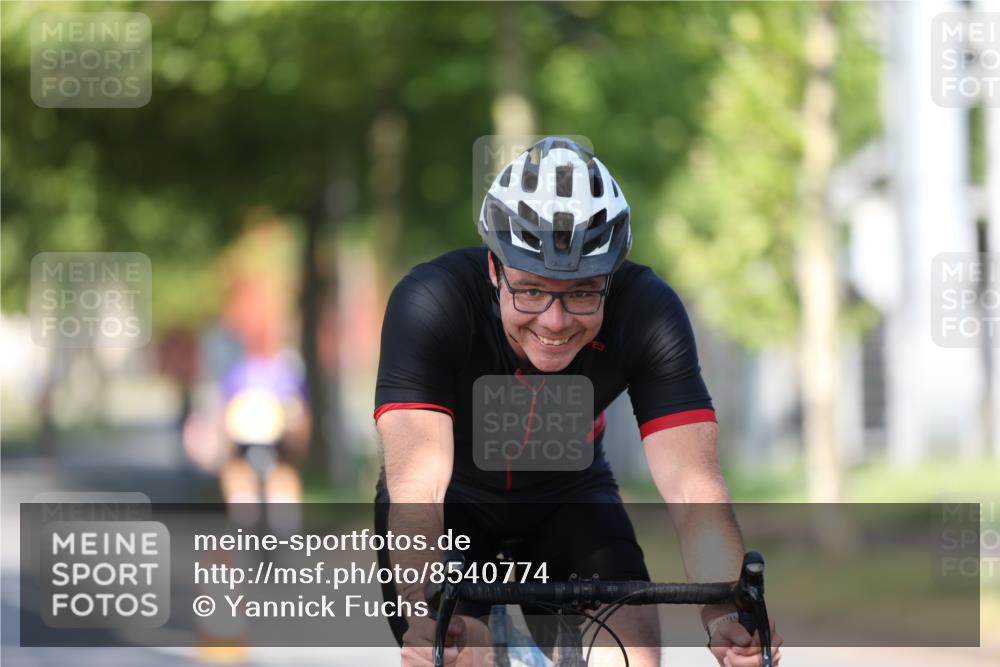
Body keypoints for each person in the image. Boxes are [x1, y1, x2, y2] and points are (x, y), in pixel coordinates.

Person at [374, 137, 782, 667]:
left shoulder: (648, 313)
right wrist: (424, 610)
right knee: (459, 653)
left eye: (583, 292)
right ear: (495, 270)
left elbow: (692, 485)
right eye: (531, 291)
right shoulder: (432, 303)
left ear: (611, 280)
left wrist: (727, 615)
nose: (555, 321)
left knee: (632, 654)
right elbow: (418, 484)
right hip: (453, 504)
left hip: (569, 492)